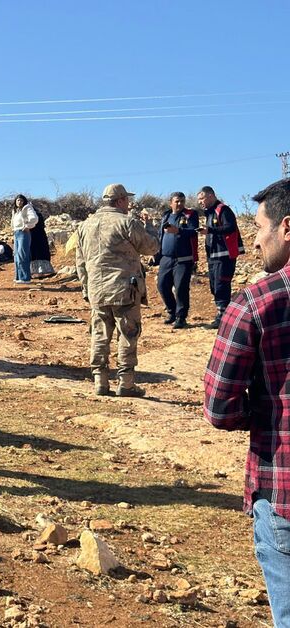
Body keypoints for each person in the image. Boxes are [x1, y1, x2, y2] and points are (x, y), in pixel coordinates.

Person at [203, 178, 290, 627]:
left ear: (287, 227)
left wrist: (263, 411)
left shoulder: (257, 303)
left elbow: (220, 407)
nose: (255, 239)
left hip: (283, 492)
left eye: (260, 227)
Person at [74, 184, 159, 397]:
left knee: (100, 334)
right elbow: (152, 248)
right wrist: (150, 228)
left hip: (97, 290)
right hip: (124, 289)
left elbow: (80, 262)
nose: (128, 204)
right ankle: (126, 383)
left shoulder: (85, 226)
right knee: (128, 334)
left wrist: (86, 288)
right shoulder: (127, 222)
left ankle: (100, 382)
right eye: (127, 200)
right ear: (120, 201)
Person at [200, 186, 245, 329]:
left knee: (221, 285)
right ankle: (222, 314)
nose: (200, 202)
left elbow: (230, 227)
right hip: (213, 257)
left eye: (202, 198)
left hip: (224, 256)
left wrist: (210, 230)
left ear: (211, 196)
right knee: (214, 286)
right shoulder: (209, 213)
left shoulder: (223, 210)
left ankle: (223, 318)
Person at [156, 192, 198, 329]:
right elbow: (160, 235)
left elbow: (194, 230)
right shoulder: (166, 216)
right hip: (166, 258)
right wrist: (156, 254)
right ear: (171, 202)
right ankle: (172, 312)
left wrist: (178, 231)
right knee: (162, 285)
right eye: (177, 201)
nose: (180, 204)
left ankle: (181, 317)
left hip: (183, 259)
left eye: (182, 201)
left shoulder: (190, 215)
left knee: (180, 288)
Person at [11, 195, 39, 284]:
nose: (19, 202)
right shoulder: (15, 211)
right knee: (16, 255)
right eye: (18, 200)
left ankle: (25, 278)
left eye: (21, 200)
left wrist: (28, 226)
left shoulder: (27, 208)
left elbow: (34, 218)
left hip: (23, 233)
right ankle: (18, 276)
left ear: (24, 201)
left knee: (22, 254)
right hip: (16, 233)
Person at [29, 204, 55, 278]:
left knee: (35, 254)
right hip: (40, 237)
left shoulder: (31, 215)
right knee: (41, 253)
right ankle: (43, 271)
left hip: (33, 237)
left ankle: (36, 273)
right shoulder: (38, 215)